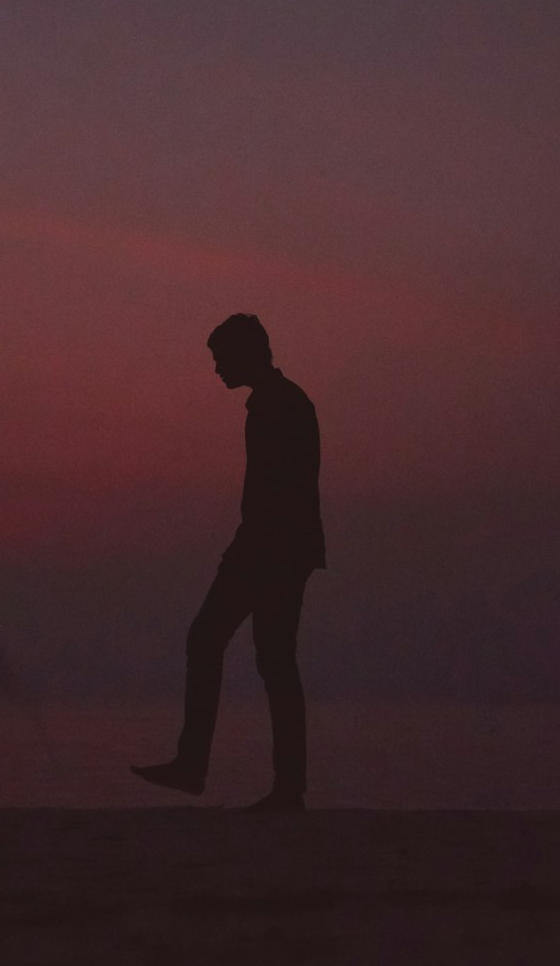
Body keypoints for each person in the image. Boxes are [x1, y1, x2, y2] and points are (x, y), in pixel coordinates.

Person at [132, 313, 326, 812]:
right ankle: (209, 769)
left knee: (262, 656)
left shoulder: (281, 405)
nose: (217, 368)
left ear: (247, 353)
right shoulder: (272, 403)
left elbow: (282, 489)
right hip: (268, 546)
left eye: (222, 358)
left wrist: (256, 548)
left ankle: (273, 784)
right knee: (240, 650)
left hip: (273, 550)